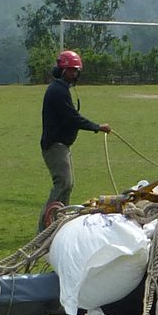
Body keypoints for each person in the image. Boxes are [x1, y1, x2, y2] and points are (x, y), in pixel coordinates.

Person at [41, 49, 110, 230]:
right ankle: (44, 226)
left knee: (68, 184)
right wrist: (97, 127)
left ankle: (59, 221)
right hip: (55, 146)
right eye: (72, 70)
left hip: (62, 145)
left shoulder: (61, 88)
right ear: (64, 71)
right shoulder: (58, 91)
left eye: (76, 71)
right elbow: (73, 118)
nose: (75, 74)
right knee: (62, 183)